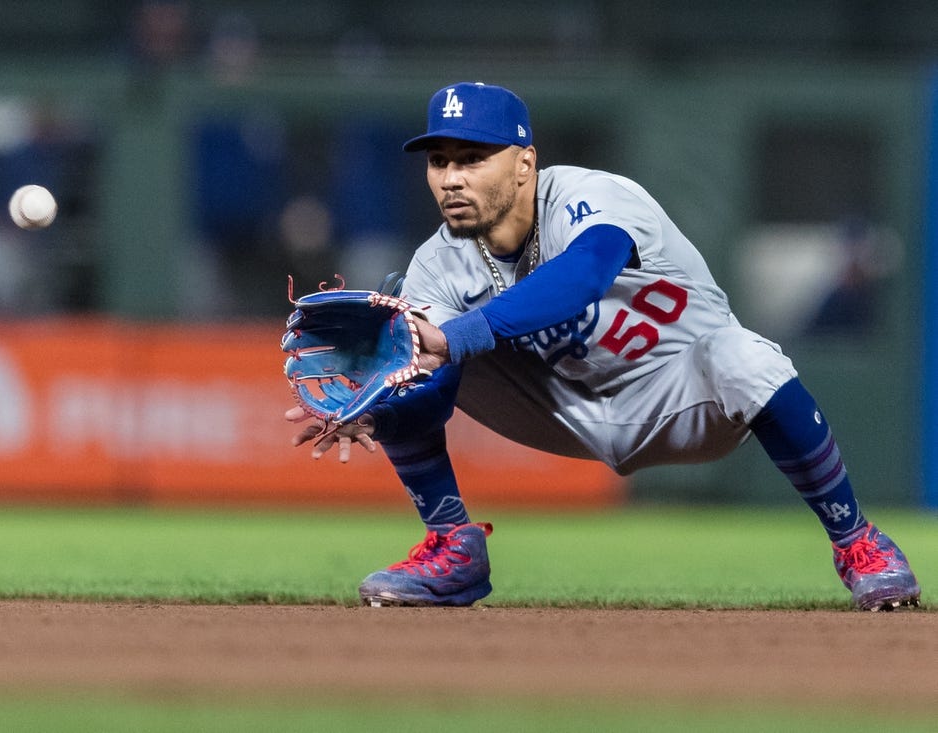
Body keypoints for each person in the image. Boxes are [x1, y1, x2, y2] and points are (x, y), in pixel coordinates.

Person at [286, 82, 921, 611]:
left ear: (524, 162)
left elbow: (580, 277)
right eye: (439, 161)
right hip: (563, 406)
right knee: (405, 355)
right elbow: (428, 361)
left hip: (683, 390)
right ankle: (453, 546)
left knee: (747, 357)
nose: (452, 178)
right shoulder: (438, 263)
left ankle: (857, 542)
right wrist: (377, 406)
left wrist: (457, 336)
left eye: (473, 158)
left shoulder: (591, 196)